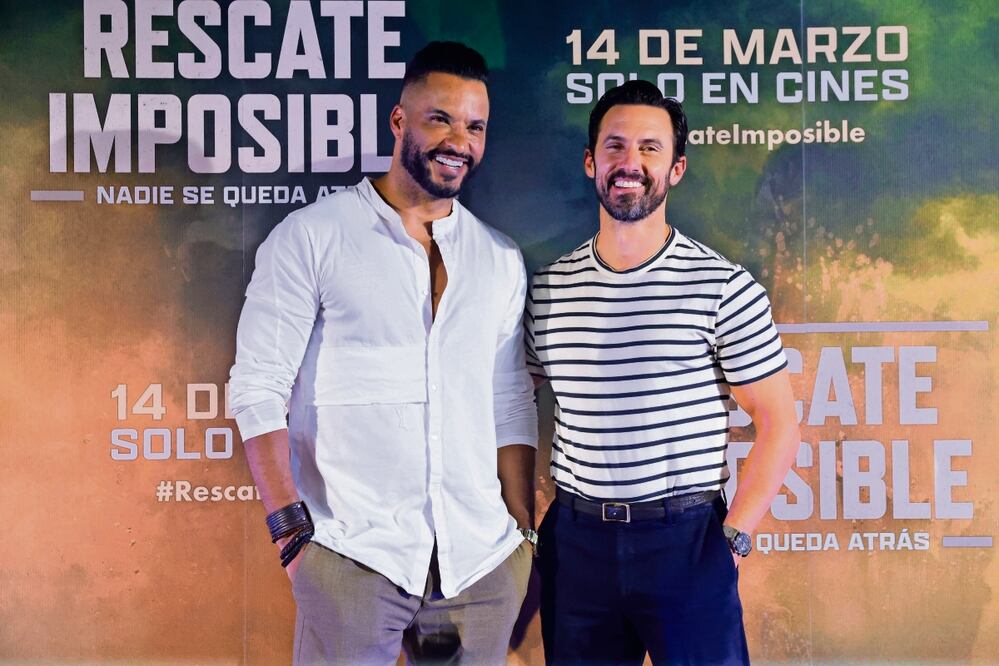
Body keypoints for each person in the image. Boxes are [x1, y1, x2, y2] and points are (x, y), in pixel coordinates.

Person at [229, 41, 538, 665]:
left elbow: (509, 401)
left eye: (475, 126)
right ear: (399, 121)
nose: (459, 140)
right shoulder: (313, 237)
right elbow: (257, 388)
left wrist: (522, 533)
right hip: (351, 557)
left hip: (480, 563)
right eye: (439, 118)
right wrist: (292, 537)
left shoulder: (499, 257)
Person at [527, 80, 800, 665]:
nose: (631, 163)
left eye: (650, 148)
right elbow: (510, 406)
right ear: (590, 161)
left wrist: (733, 537)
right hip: (576, 545)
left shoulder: (723, 285)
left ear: (676, 168)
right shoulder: (548, 289)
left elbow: (778, 422)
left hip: (688, 540)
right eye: (616, 146)